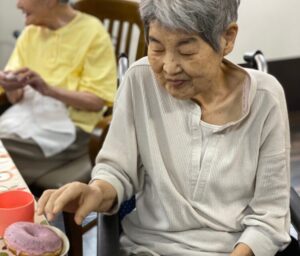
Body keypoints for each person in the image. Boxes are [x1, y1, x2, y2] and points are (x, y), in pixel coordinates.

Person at [37, 0, 292, 255]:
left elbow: (268, 216)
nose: (168, 67)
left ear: (227, 38)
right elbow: (118, 170)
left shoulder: (265, 99)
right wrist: (96, 192)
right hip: (148, 249)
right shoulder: (140, 80)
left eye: (187, 51)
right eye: (156, 47)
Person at [0, 0, 117, 185]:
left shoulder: (93, 33)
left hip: (72, 129)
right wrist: (9, 85)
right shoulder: (31, 32)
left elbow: (97, 101)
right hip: (25, 120)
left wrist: (48, 90)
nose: (18, 4)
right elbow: (16, 98)